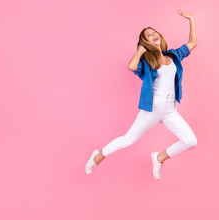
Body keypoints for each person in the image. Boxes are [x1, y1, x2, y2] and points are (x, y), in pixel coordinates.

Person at [85, 8, 198, 180]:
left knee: (191, 141)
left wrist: (191, 19)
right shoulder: (146, 61)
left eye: (154, 32)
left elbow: (192, 43)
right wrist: (140, 50)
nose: (153, 34)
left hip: (170, 108)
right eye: (148, 35)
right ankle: (97, 157)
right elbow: (131, 66)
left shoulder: (173, 55)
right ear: (145, 42)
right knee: (128, 140)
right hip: (154, 106)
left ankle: (159, 157)